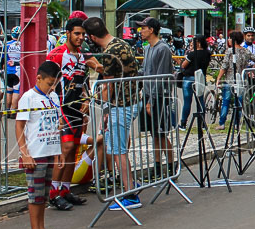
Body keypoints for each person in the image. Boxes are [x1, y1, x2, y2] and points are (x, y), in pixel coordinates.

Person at [84, 16, 141, 210]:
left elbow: (108, 85)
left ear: (92, 37)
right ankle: (131, 184)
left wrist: (104, 109)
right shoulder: (121, 44)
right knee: (120, 148)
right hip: (131, 101)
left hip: (120, 105)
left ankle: (130, 194)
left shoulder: (109, 53)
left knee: (118, 151)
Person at [15, 60, 64, 229]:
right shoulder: (28, 98)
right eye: (49, 83)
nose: (52, 87)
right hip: (35, 152)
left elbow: (57, 124)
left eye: (55, 84)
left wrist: (58, 151)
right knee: (35, 194)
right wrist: (24, 152)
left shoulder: (54, 98)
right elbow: (20, 126)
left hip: (50, 149)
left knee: (44, 193)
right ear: (38, 78)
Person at [45, 17, 90, 210]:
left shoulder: (82, 56)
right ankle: (53, 192)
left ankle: (65, 189)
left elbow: (84, 82)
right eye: (77, 34)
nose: (80, 38)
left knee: (73, 150)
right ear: (68, 33)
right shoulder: (56, 54)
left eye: (83, 34)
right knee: (65, 148)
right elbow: (45, 81)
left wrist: (87, 99)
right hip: (60, 107)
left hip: (76, 108)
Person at [139, 18, 175, 176]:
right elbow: (144, 71)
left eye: (144, 28)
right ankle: (158, 166)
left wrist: (151, 100)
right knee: (153, 133)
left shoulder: (163, 49)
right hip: (147, 94)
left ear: (151, 30)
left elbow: (161, 76)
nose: (141, 31)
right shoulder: (147, 49)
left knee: (161, 132)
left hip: (159, 96)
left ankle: (172, 165)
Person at [215, 30, 255, 127]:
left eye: (229, 38)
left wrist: (218, 78)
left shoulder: (229, 51)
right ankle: (237, 123)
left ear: (233, 40)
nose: (228, 40)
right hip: (241, 79)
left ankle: (222, 123)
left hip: (230, 80)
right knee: (239, 102)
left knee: (226, 101)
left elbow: (224, 66)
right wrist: (251, 70)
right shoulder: (245, 51)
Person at [179, 37, 212, 128]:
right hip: (200, 78)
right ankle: (202, 123)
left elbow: (184, 65)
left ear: (198, 43)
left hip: (189, 77)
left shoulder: (192, 54)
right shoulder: (207, 53)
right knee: (200, 100)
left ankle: (183, 123)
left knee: (187, 101)